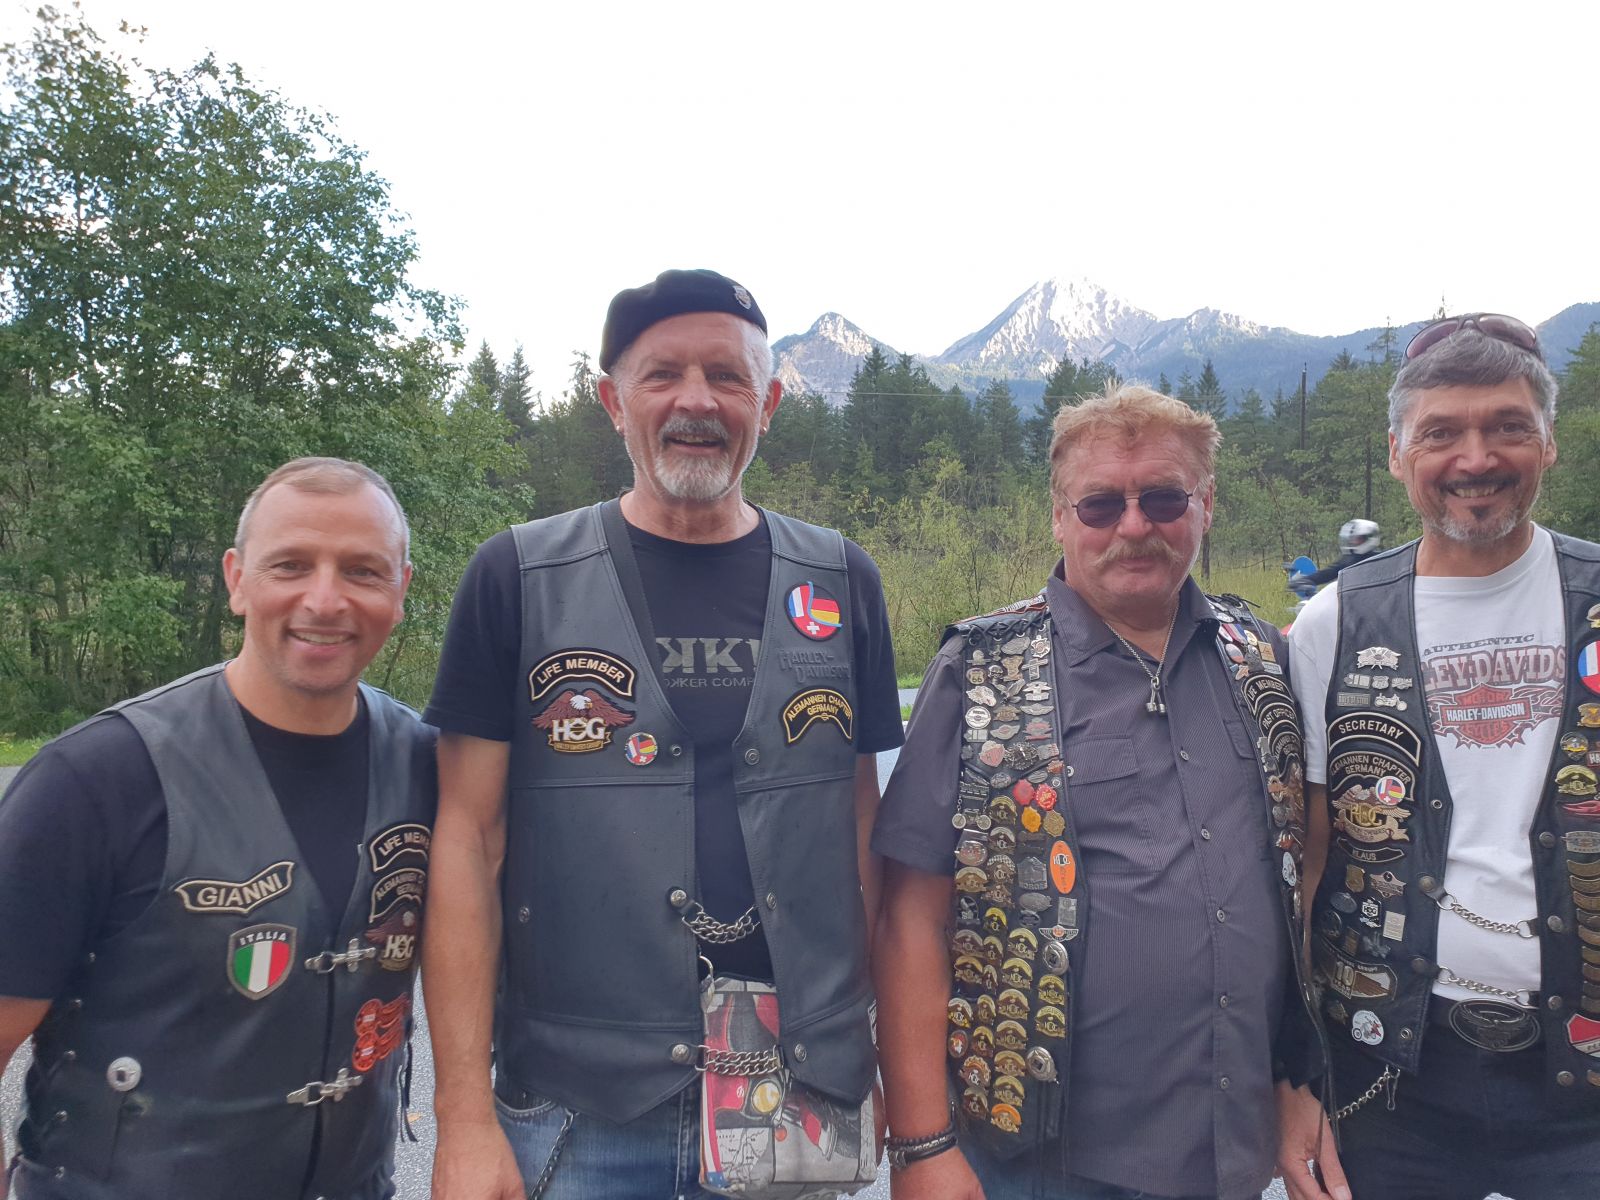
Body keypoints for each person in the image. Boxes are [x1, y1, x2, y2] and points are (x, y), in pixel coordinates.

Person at [423, 268, 904, 1198]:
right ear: (613, 402)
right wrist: (464, 1117)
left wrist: (867, 1054)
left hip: (794, 1088)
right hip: (582, 1111)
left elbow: (862, 833)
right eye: (662, 375)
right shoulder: (517, 577)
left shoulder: (843, 578)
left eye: (727, 377)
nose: (696, 400)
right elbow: (467, 842)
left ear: (768, 403)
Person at [873, 383, 1318, 1200]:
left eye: (1163, 498)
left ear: (1206, 503)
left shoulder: (1259, 657)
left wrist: (1303, 1077)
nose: (1134, 526)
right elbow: (911, 920)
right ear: (1059, 516)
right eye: (1102, 504)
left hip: (1231, 1143)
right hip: (1040, 1160)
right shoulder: (981, 672)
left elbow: (1298, 883)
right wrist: (922, 1146)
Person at [0, 458, 436, 1200]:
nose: (324, 599)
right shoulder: (97, 778)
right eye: (290, 565)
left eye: (362, 571)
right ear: (236, 579)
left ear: (401, 591)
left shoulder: (426, 765)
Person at [1279, 313, 1600, 1200]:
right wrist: (1295, 1073)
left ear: (1549, 442)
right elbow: (1309, 860)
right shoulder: (1336, 621)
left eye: (1507, 426)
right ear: (1396, 453)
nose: (1475, 458)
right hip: (1388, 1072)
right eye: (1441, 433)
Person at [1298, 520, 1383, 588]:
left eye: (1357, 539)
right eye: (1352, 539)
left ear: (1368, 538)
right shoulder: (1351, 560)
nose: (1353, 542)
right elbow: (1329, 572)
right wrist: (1307, 580)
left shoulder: (1382, 559)